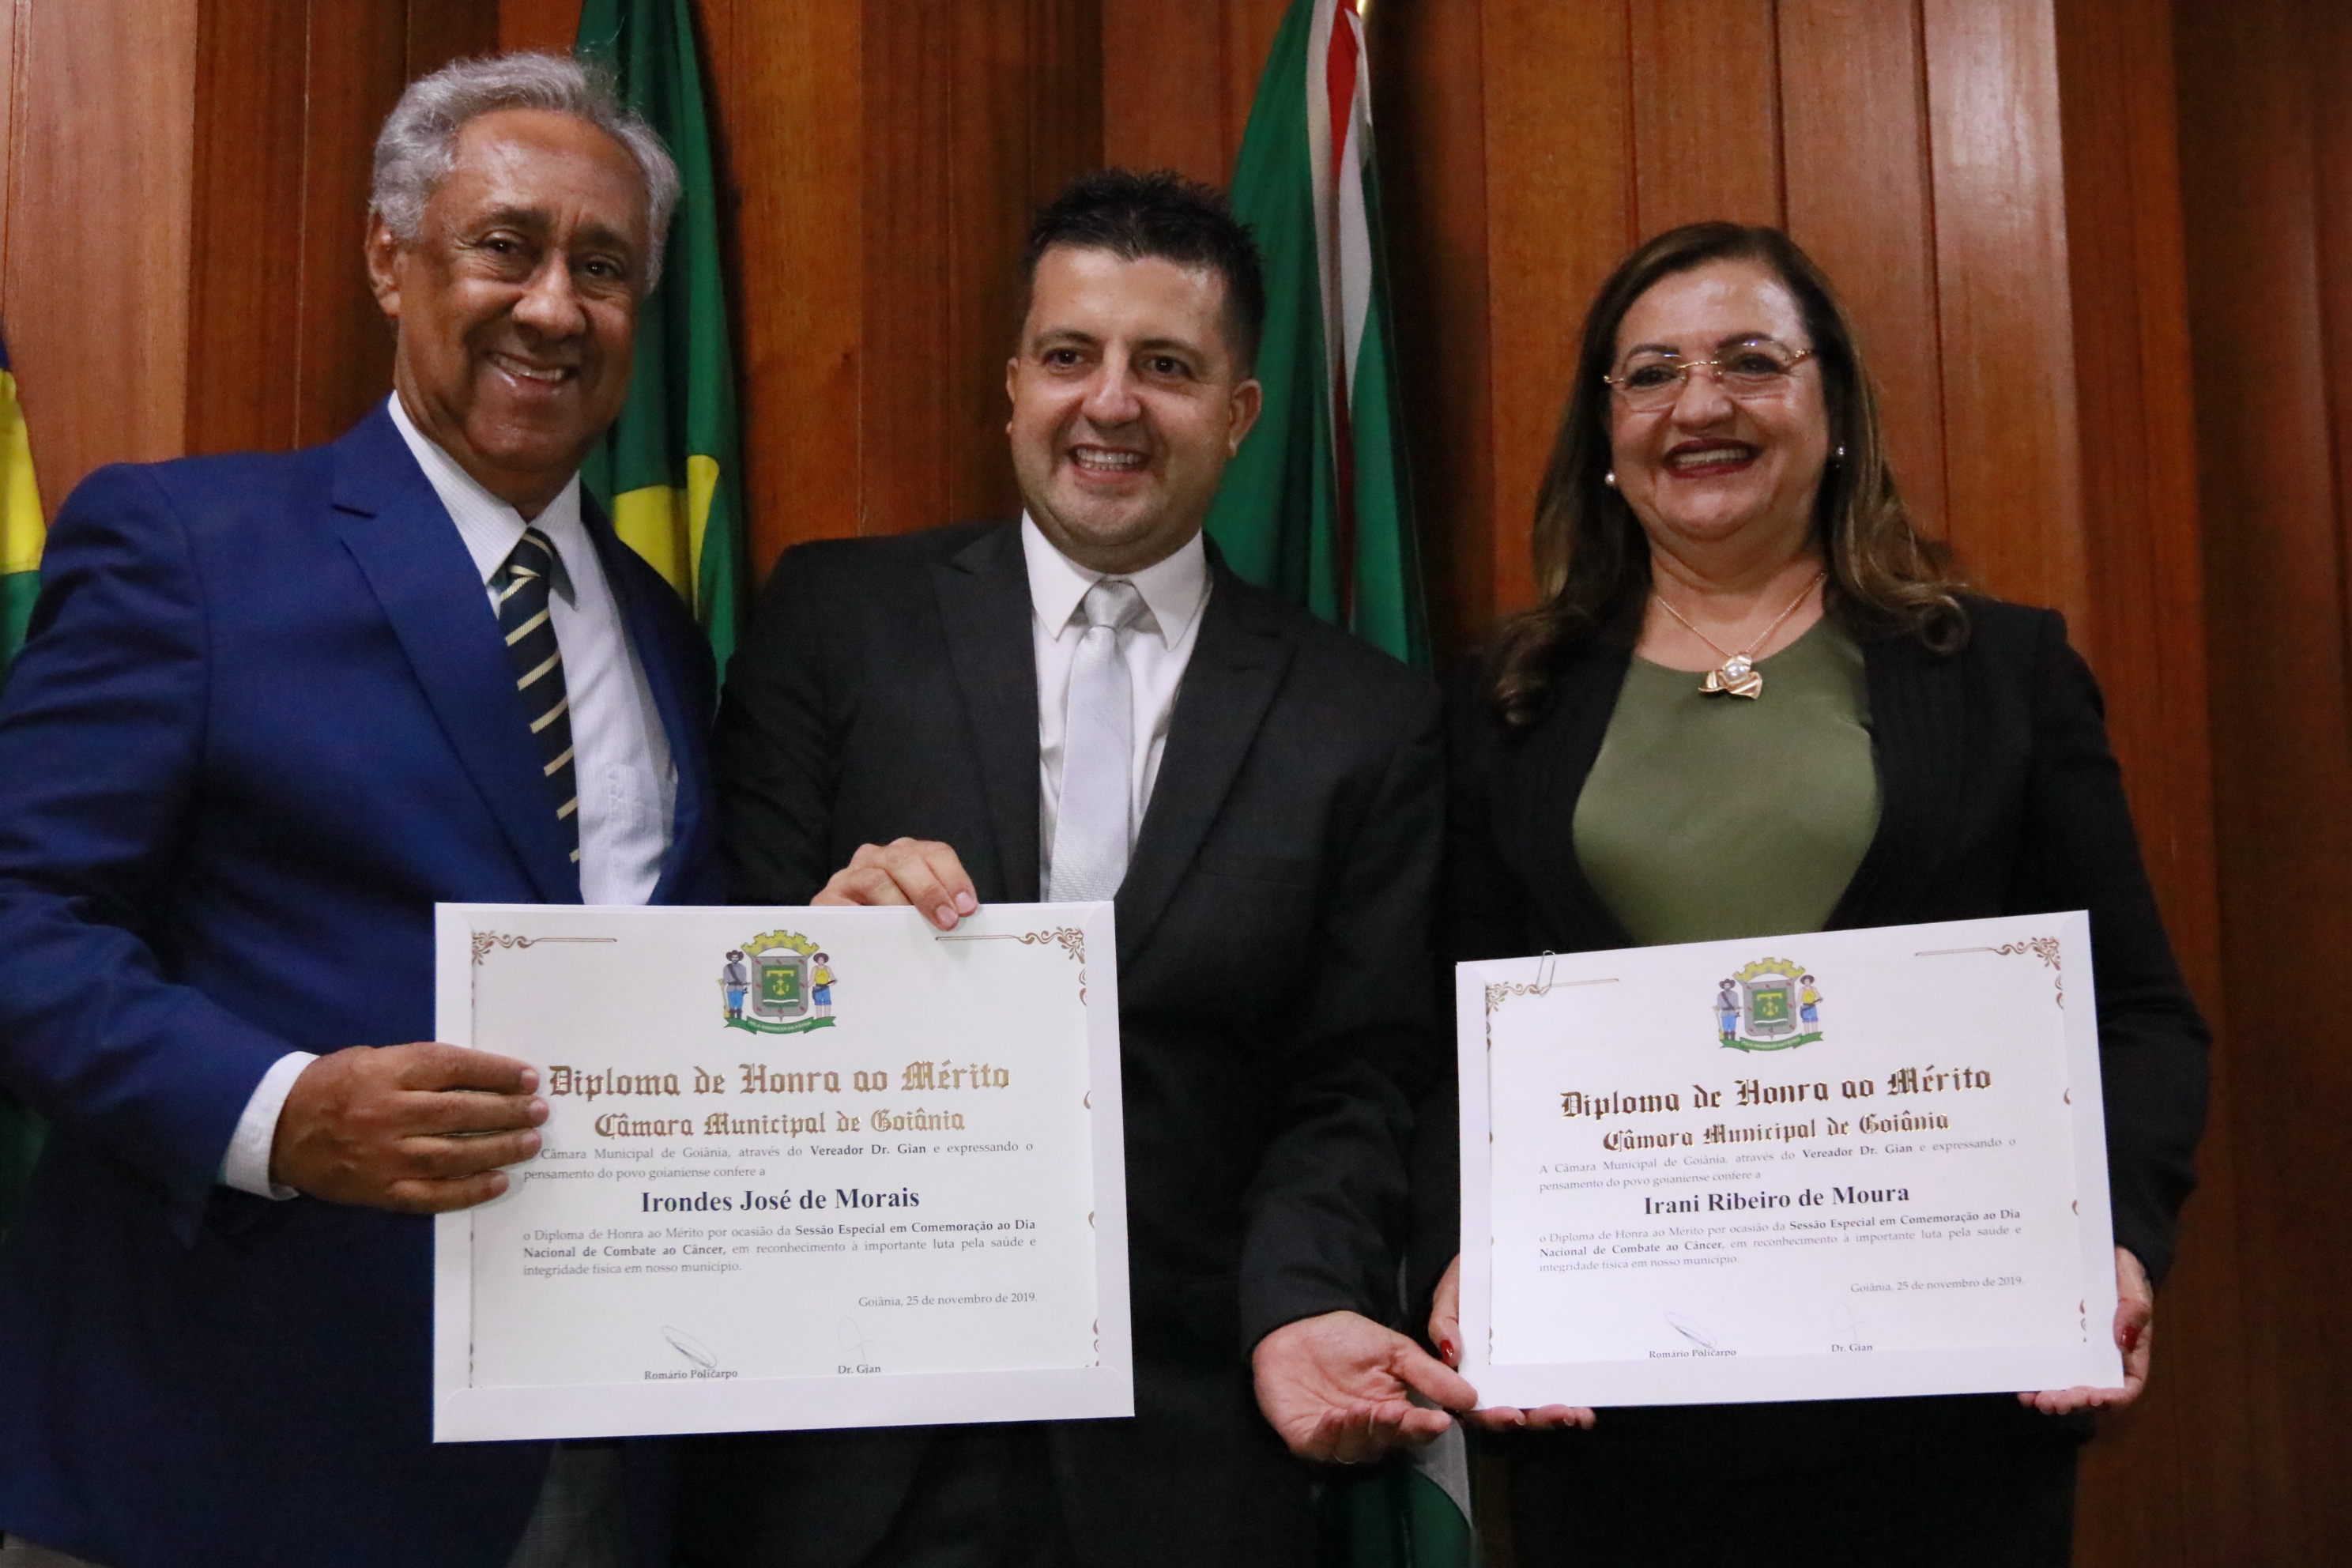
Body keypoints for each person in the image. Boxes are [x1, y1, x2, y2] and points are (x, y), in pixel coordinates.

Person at [680, 168, 1477, 1568]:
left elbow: (1353, 1079)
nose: (1110, 403)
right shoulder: (836, 623)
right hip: (846, 1437)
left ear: (1240, 412)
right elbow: (705, 979)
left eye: (1165, 366)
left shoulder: (1365, 719)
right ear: (1013, 389)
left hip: (1186, 1446)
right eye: (1069, 355)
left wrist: (1302, 1301)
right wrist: (814, 940)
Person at [0, 54, 720, 1568]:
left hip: (590, 1454)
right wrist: (279, 1113)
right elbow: (19, 921)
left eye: (603, 268)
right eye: (505, 245)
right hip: (232, 1452)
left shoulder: (662, 628)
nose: (553, 306)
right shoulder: (190, 548)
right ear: (391, 260)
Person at [1423, 222, 2208, 1566]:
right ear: (1605, 433)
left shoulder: (1999, 674)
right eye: (1651, 373)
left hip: (1948, 1409)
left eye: (1750, 361)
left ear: (1833, 406)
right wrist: (1464, 1251)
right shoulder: (1507, 703)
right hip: (1618, 1418)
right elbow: (1444, 1041)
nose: (1700, 405)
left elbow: (2139, 1015)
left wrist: (2115, 1244)